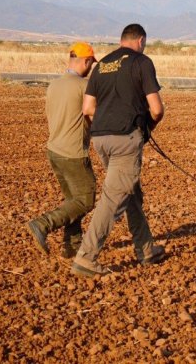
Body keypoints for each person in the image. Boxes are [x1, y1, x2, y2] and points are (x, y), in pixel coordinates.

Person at [71, 24, 165, 277]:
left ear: (121, 40)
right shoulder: (142, 62)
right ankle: (86, 257)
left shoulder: (102, 65)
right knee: (113, 198)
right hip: (126, 137)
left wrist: (103, 128)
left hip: (100, 137)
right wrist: (148, 128)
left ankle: (146, 249)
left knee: (127, 190)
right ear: (141, 40)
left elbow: (88, 108)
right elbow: (156, 109)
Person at [26, 42, 97, 259]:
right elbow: (92, 113)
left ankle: (72, 245)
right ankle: (42, 224)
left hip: (54, 150)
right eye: (91, 64)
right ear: (85, 61)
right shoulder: (83, 86)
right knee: (86, 199)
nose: (91, 68)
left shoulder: (53, 85)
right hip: (73, 152)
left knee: (72, 201)